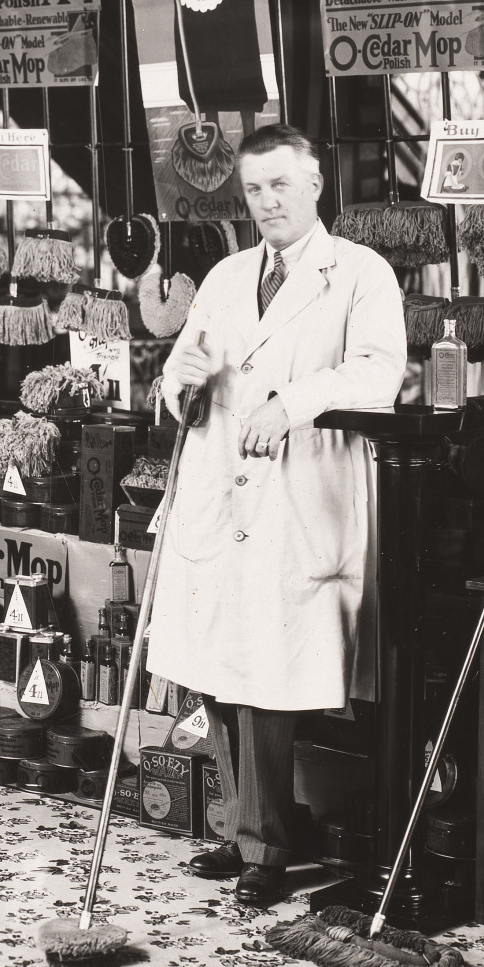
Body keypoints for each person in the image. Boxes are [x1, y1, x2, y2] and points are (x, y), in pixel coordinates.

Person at [153, 123, 405, 907]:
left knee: (265, 675)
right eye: (254, 189)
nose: (265, 202)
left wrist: (293, 405)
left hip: (299, 497)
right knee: (220, 675)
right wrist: (183, 385)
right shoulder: (226, 276)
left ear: (314, 185)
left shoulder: (359, 273)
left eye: (280, 186)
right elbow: (180, 378)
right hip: (220, 490)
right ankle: (249, 829)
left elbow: (378, 374)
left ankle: (264, 846)